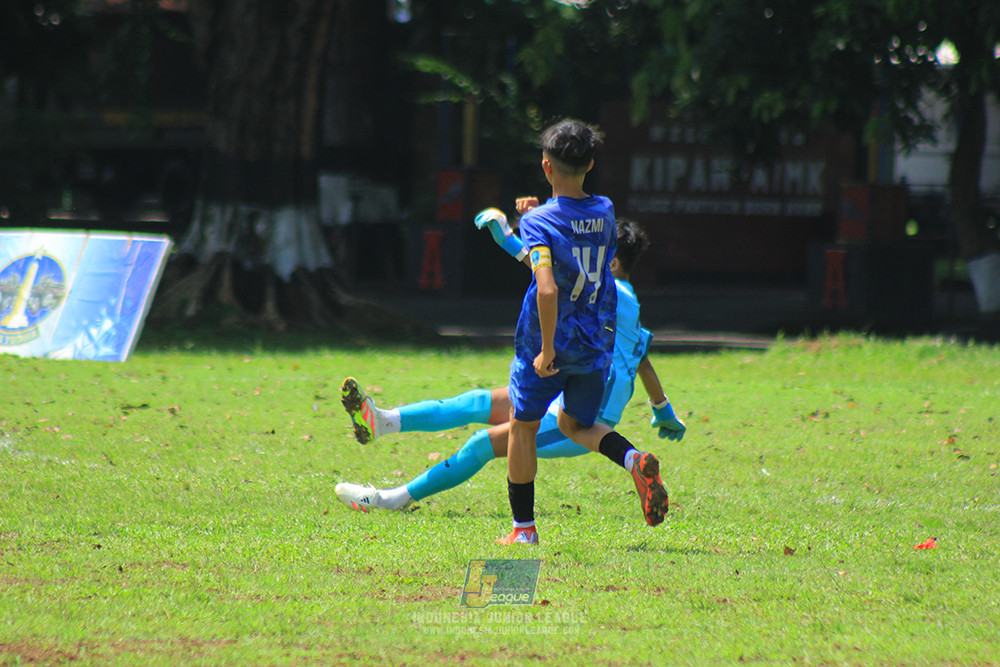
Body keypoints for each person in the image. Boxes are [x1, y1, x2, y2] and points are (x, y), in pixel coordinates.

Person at [336, 215, 686, 543]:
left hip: (584, 414)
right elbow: (642, 362)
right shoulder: (629, 305)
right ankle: (382, 422)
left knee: (479, 444)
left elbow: (548, 274)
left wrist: (508, 239)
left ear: (609, 262)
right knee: (473, 402)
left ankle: (389, 500)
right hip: (565, 394)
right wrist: (664, 412)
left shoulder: (603, 289)